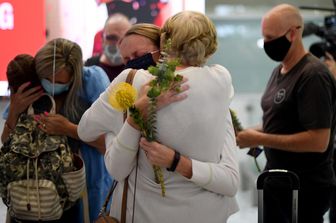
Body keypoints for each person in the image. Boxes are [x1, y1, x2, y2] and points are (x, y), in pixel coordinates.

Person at [78, 11, 239, 223]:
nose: (132, 62)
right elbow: (230, 181)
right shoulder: (221, 81)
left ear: (163, 43)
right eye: (127, 59)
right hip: (208, 213)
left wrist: (117, 127)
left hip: (145, 214)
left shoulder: (133, 80)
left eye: (138, 54)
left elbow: (85, 131)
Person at [237, 4, 336, 223]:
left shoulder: (313, 76)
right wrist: (245, 133)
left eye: (271, 37)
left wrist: (259, 139)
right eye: (264, 37)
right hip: (277, 182)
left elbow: (318, 141)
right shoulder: (279, 70)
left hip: (303, 187)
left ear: (292, 33)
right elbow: (281, 123)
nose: (267, 44)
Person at [85, 13, 131, 82]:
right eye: (112, 38)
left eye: (124, 39)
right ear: (102, 39)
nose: (118, 43)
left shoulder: (136, 69)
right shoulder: (89, 67)